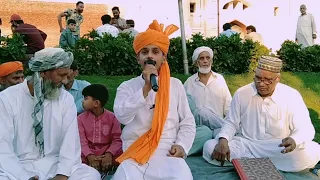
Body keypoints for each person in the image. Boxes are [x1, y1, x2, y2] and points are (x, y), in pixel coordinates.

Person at [203, 56, 320, 172]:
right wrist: (223, 140)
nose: (261, 84)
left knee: (314, 150)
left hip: (278, 147)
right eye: (258, 78)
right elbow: (231, 122)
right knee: (209, 147)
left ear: (277, 78)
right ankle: (267, 166)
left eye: (267, 80)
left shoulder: (291, 95)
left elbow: (305, 127)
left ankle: (246, 164)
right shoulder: (242, 93)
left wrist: (295, 139)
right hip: (247, 144)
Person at [112, 20, 196, 180]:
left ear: (163, 58)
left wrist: (182, 145)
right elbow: (122, 117)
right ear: (138, 58)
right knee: (124, 176)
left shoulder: (175, 85)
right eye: (144, 52)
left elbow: (187, 122)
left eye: (155, 51)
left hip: (167, 150)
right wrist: (145, 89)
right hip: (135, 151)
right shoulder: (127, 87)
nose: (149, 55)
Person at [0, 48, 100, 180]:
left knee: (91, 175)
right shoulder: (7, 98)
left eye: (67, 75)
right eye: (61, 75)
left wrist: (62, 175)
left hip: (54, 164)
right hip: (19, 166)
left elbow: (70, 143)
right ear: (43, 73)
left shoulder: (65, 99)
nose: (65, 81)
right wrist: (23, 177)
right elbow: (3, 146)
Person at [185, 46, 232, 155]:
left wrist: (230, 123)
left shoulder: (219, 79)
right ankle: (227, 128)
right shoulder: (189, 82)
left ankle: (223, 132)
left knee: (214, 143)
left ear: (211, 60)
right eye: (202, 58)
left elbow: (229, 106)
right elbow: (183, 107)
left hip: (216, 126)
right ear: (196, 62)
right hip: (198, 125)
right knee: (203, 112)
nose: (205, 61)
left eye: (208, 58)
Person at [78, 84, 122, 173]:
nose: (82, 101)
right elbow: (81, 140)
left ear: (96, 103)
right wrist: (89, 156)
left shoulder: (113, 117)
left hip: (108, 153)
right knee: (75, 157)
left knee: (122, 157)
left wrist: (109, 154)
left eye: (86, 99)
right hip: (87, 153)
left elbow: (117, 139)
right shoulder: (80, 119)